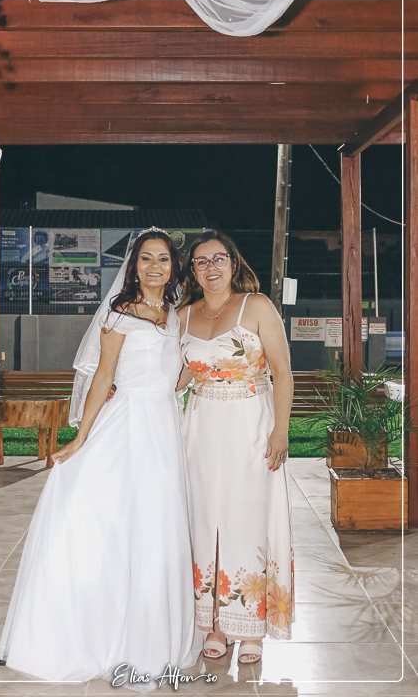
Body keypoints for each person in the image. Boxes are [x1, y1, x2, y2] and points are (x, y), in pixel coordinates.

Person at [0, 228, 202, 684]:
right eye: (146, 258)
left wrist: (209, 371)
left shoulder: (177, 315)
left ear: (174, 266)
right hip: (126, 422)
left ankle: (154, 632)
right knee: (114, 520)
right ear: (133, 266)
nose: (154, 266)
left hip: (165, 426)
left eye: (163, 259)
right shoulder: (119, 313)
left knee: (157, 524)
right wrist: (81, 437)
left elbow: (176, 377)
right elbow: (103, 376)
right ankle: (103, 630)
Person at [177, 231, 294, 665]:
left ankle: (251, 629)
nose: (211, 267)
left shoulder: (257, 306)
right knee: (204, 517)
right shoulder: (183, 316)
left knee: (247, 517)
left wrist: (280, 430)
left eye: (218, 259)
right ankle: (214, 624)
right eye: (201, 261)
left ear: (233, 263)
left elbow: (282, 371)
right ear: (192, 271)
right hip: (200, 428)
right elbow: (178, 377)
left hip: (251, 424)